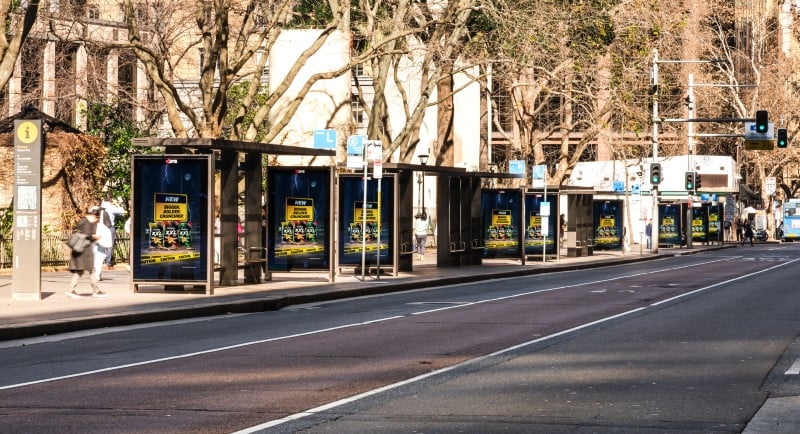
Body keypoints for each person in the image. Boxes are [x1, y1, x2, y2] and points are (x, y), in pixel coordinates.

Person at [65, 206, 106, 298]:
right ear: (93, 215)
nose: (97, 220)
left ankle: (71, 290)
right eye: (97, 217)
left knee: (79, 271)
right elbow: (87, 236)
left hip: (80, 250)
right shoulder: (87, 223)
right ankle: (96, 291)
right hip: (84, 251)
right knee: (92, 270)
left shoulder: (82, 221)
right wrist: (95, 237)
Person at [101, 194, 126, 269]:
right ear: (111, 199)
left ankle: (102, 259)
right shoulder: (111, 207)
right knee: (110, 245)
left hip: (101, 227)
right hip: (109, 227)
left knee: (102, 244)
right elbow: (122, 211)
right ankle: (108, 262)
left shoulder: (101, 206)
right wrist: (116, 203)